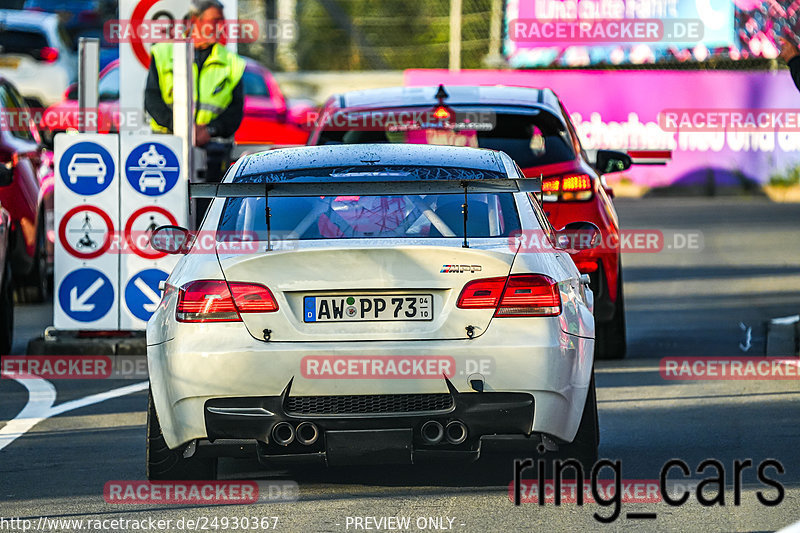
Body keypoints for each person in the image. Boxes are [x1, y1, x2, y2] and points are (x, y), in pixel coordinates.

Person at [144, 0, 246, 184]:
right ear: (194, 21)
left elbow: (235, 112)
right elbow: (152, 100)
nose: (221, 26)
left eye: (222, 21)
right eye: (214, 21)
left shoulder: (232, 63)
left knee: (206, 211)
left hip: (213, 157)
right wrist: (182, 128)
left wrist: (209, 130)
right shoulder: (162, 52)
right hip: (167, 149)